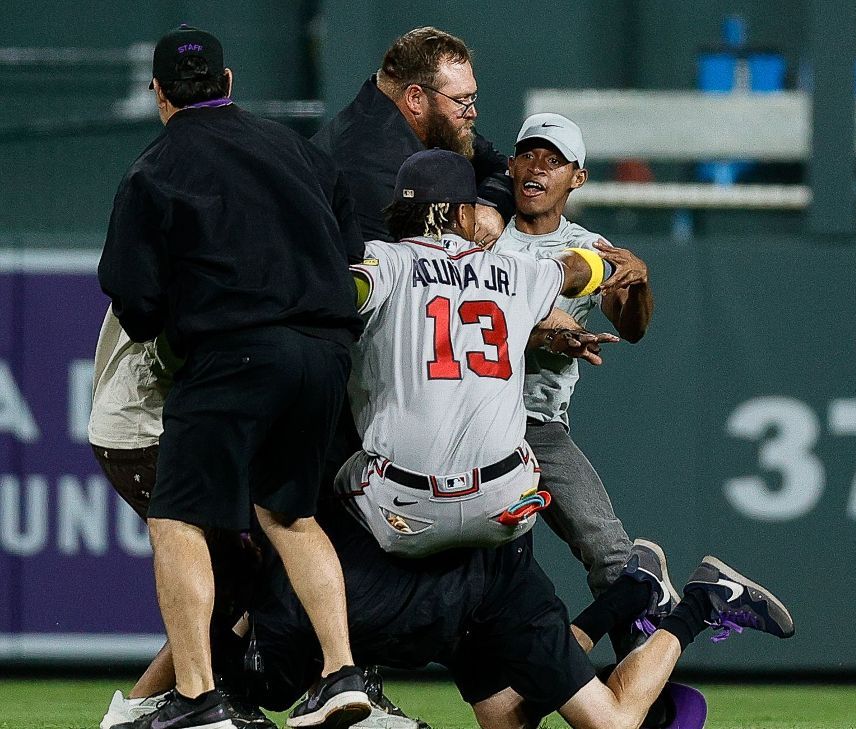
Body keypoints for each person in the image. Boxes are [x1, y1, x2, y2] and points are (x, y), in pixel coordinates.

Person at [245, 149, 793, 729]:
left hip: (398, 509)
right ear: (461, 213)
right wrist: (615, 268)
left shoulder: (384, 263)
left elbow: (335, 294)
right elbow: (577, 269)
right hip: (503, 511)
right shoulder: (517, 270)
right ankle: (663, 601)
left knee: (299, 500)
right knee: (549, 718)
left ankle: (337, 673)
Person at [98, 25, 369, 729]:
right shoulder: (297, 149)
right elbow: (349, 247)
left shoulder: (153, 168)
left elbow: (135, 300)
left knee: (178, 517)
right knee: (292, 514)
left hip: (236, 354)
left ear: (158, 94)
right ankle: (340, 673)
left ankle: (197, 697)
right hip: (324, 352)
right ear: (227, 82)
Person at [493, 113, 651, 598]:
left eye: (553, 159)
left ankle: (642, 672)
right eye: (529, 154)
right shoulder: (483, 237)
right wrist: (546, 335)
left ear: (577, 177)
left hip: (538, 426)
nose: (537, 167)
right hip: (473, 421)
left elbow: (632, 327)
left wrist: (640, 282)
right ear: (511, 166)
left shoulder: (588, 250)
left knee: (614, 558)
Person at [90, 310, 272, 729]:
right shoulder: (196, 245)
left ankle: (167, 699)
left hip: (179, 425)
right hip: (146, 424)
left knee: (245, 572)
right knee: (232, 572)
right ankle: (181, 699)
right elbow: (166, 320)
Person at [312, 25, 513, 246]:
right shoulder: (369, 167)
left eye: (472, 97)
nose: (473, 112)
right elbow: (419, 270)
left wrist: (491, 207)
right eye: (461, 100)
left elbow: (499, 167)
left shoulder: (440, 122)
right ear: (415, 99)